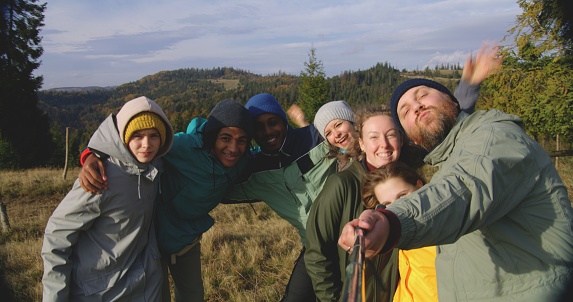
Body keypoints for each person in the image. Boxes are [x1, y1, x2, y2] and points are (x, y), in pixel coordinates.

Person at [338, 77, 573, 301]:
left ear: (453, 101)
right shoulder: (447, 162)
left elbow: (464, 188)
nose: (416, 107)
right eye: (406, 111)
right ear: (412, 138)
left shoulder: (492, 134)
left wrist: (392, 221)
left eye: (423, 95)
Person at [304, 42, 501, 302]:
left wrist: (468, 86)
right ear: (361, 143)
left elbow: (447, 132)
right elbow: (317, 253)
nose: (383, 145)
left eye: (391, 135)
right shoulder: (341, 185)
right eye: (373, 137)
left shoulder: (414, 166)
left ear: (402, 138)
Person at [78, 99, 254, 302]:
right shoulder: (184, 147)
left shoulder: (243, 160)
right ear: (213, 135)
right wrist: (90, 154)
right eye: (226, 138)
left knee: (193, 296)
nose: (233, 148)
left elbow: (267, 156)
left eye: (242, 140)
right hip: (152, 244)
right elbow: (132, 145)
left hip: (187, 241)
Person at [41, 96, 174, 301]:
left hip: (145, 286)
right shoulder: (99, 177)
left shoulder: (155, 166)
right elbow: (57, 236)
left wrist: (89, 153)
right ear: (124, 137)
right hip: (101, 293)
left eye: (154, 135)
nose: (146, 144)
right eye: (137, 135)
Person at [361, 161, 437, 302]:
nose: (398, 207)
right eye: (388, 204)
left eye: (402, 196)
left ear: (419, 185)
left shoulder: (445, 232)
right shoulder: (396, 236)